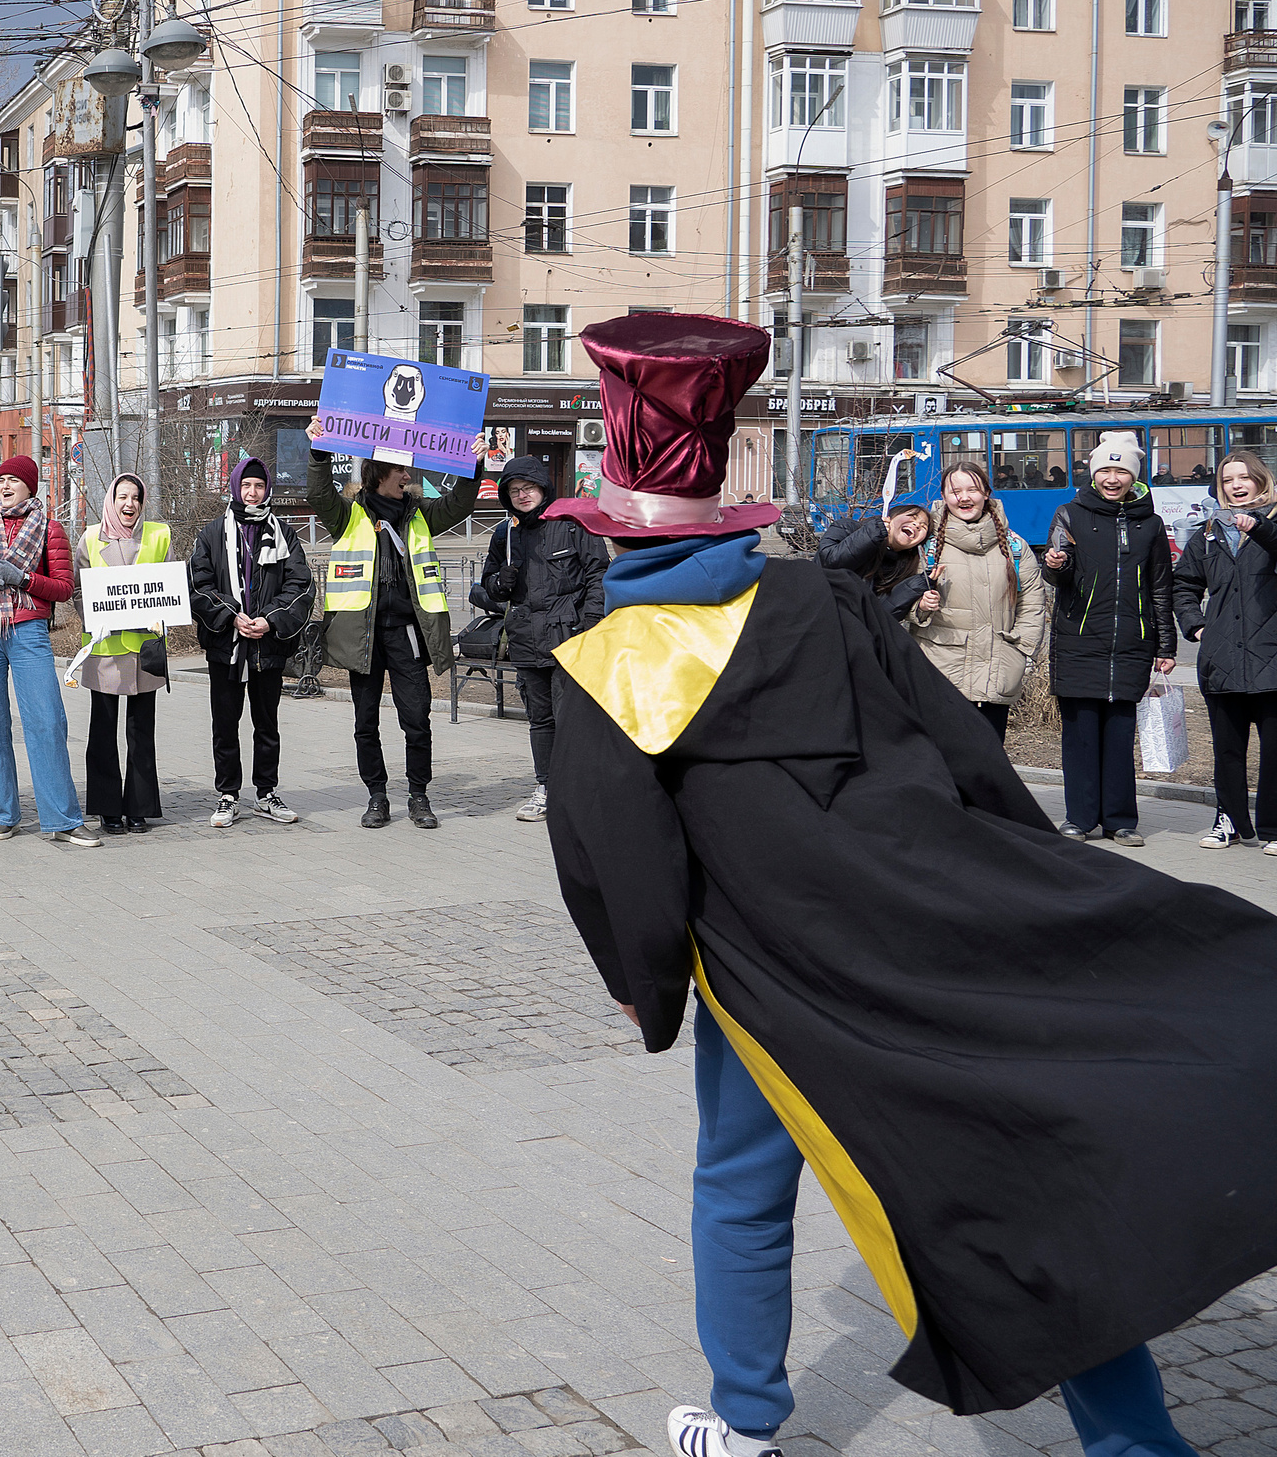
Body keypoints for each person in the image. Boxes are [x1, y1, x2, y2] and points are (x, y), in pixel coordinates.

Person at [542, 311, 1264, 1457]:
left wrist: (650, 991)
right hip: (930, 926)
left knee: (739, 1184)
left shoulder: (603, 669)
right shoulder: (824, 606)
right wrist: (1032, 880)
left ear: (608, 527)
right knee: (1027, 1175)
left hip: (770, 974)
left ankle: (741, 1427)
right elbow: (965, 753)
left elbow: (620, 866)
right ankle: (1136, 1447)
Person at [306, 428, 491, 830]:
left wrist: (474, 464)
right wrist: (319, 450)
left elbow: (459, 504)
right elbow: (319, 495)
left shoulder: (420, 512)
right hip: (364, 636)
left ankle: (418, 795)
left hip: (408, 632)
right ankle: (377, 797)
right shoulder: (348, 514)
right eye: (401, 470)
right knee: (365, 722)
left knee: (417, 718)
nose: (408, 476)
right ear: (378, 473)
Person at [1041, 431, 1176, 845]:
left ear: (1133, 476)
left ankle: (1120, 820)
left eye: (1121, 470)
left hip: (1131, 645)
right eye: (1105, 470)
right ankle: (1079, 819)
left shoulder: (1150, 524)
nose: (1112, 478)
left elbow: (1160, 587)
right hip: (1080, 640)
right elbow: (1055, 574)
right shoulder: (1070, 513)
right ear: (1094, 473)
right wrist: (1055, 563)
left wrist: (1166, 646)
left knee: (1119, 736)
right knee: (1080, 736)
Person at [0, 455, 94, 846]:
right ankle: (4, 814)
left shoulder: (49, 528)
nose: (5, 486)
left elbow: (64, 588)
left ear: (31, 486)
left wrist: (25, 578)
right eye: (1, 480)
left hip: (28, 630)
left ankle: (63, 819)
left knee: (47, 723)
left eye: (14, 480)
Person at [185, 457, 312, 829]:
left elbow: (299, 585)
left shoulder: (284, 534)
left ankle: (266, 792)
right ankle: (227, 794)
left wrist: (268, 621)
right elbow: (198, 584)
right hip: (227, 647)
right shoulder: (212, 534)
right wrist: (231, 617)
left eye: (259, 486)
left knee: (266, 724)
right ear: (235, 488)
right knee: (225, 723)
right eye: (246, 486)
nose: (253, 493)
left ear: (267, 489)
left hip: (267, 649)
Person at [480, 454, 608, 822]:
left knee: (573, 716)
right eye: (514, 491)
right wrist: (497, 584)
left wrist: (591, 625)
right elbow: (491, 588)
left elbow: (598, 574)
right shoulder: (505, 534)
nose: (522, 496)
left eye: (528, 488)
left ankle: (579, 788)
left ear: (543, 488)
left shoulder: (571, 524)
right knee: (540, 719)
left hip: (570, 636)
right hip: (526, 639)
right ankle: (546, 787)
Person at [1173, 449, 1277, 852]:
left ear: (1260, 480)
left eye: (1243, 477)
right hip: (1222, 659)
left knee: (1274, 753)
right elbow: (1184, 584)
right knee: (1227, 751)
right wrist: (1196, 626)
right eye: (1228, 479)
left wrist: (1260, 529)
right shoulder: (1208, 532)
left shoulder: (1273, 524)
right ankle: (1228, 821)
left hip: (1271, 657)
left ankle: (1273, 827)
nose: (1236, 485)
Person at [908, 459, 1047, 743]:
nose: (964, 498)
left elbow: (1032, 602)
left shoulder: (1015, 547)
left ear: (986, 493)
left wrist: (1020, 650)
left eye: (972, 489)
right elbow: (898, 596)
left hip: (998, 672)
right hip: (939, 675)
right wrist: (918, 608)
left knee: (988, 767)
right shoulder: (925, 545)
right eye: (954, 491)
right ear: (944, 497)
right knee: (943, 765)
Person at [76, 473, 172, 835]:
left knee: (141, 733)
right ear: (111, 501)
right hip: (105, 652)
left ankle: (139, 807)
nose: (129, 504)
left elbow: (171, 588)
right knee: (102, 732)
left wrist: (164, 616)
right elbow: (78, 589)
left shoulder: (159, 535)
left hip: (145, 651)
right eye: (122, 498)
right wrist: (93, 617)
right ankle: (107, 808)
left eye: (135, 498)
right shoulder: (90, 537)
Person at [817, 500, 935, 620]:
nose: (917, 525)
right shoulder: (848, 528)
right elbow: (828, 563)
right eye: (912, 517)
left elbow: (881, 618)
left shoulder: (903, 568)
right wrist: (872, 534)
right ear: (891, 517)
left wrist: (915, 587)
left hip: (850, 632)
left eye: (923, 526)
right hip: (818, 617)